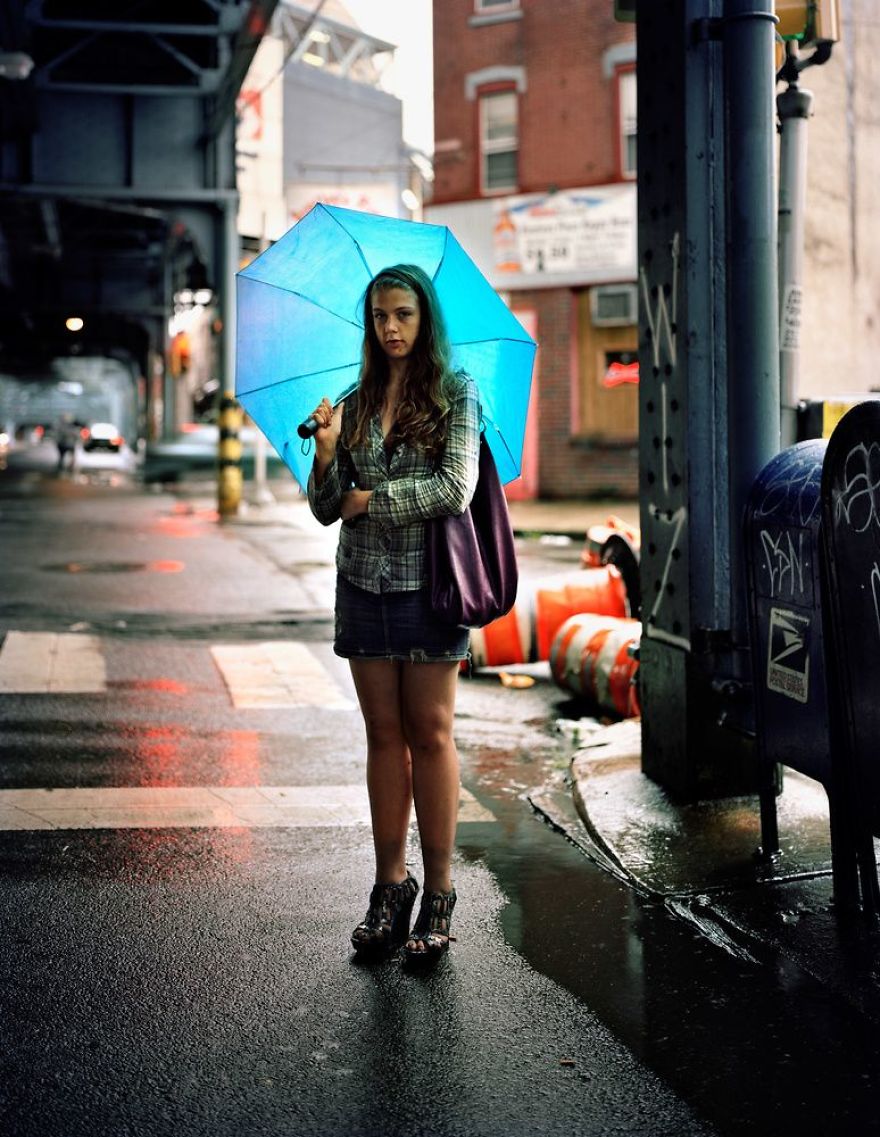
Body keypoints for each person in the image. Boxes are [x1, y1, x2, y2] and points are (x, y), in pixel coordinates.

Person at [307, 264, 481, 964]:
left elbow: (454, 488)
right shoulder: (354, 402)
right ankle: (390, 886)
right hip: (362, 583)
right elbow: (327, 509)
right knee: (382, 734)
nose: (390, 327)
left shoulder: (455, 394)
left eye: (403, 314)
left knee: (430, 733)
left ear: (424, 318)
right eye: (380, 316)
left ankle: (438, 893)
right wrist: (326, 456)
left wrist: (371, 500)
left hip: (427, 585)